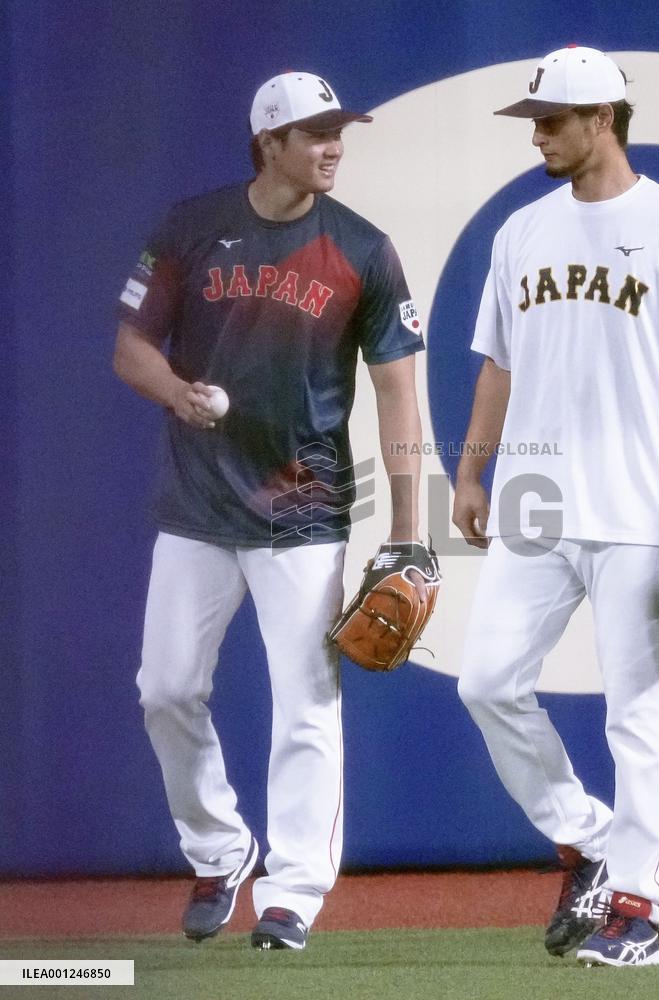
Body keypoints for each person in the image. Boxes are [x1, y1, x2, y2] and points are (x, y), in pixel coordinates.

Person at [452, 45, 659, 967]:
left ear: (605, 120)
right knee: (487, 683)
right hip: (537, 501)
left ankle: (641, 908)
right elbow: (496, 367)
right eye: (535, 119)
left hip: (643, 503)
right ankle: (588, 839)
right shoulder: (521, 233)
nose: (539, 133)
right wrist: (470, 476)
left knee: (636, 714)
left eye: (553, 118)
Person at [114, 71, 426, 951]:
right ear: (269, 143)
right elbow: (131, 347)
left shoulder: (363, 247)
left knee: (305, 705)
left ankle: (293, 891)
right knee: (166, 690)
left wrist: (409, 531)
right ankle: (219, 850)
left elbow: (399, 393)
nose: (333, 146)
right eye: (316, 133)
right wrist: (178, 392)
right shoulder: (191, 228)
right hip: (198, 496)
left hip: (303, 503)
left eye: (340, 133)